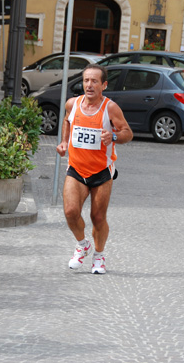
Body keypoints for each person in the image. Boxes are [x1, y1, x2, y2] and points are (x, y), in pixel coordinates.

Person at [56, 64, 133, 275]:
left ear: (104, 85)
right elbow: (66, 121)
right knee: (71, 212)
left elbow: (128, 132)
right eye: (86, 80)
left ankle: (99, 256)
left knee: (97, 217)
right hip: (76, 169)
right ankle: (83, 245)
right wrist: (64, 142)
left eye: (94, 81)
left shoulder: (110, 108)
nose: (89, 85)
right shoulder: (73, 104)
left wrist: (114, 136)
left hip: (101, 171)